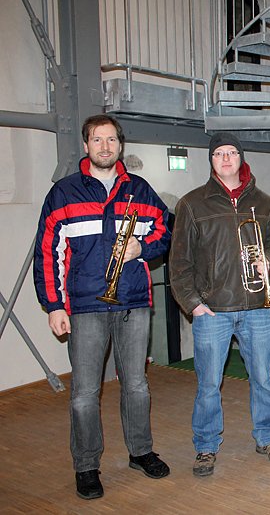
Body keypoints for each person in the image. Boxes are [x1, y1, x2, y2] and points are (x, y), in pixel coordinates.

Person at [33, 114, 171, 500]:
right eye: (97, 140)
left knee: (137, 385)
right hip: (85, 305)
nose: (105, 147)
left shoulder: (140, 190)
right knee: (84, 392)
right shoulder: (64, 193)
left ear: (120, 145)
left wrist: (142, 248)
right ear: (86, 145)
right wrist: (53, 305)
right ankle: (86, 465)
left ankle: (140, 451)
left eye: (111, 140)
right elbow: (48, 253)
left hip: (133, 302)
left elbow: (164, 231)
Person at [170, 132, 270, 476]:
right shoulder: (192, 204)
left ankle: (267, 437)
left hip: (256, 307)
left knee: (262, 379)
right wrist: (193, 304)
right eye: (219, 153)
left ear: (241, 158)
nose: (225, 158)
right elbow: (179, 262)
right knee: (209, 385)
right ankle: (206, 446)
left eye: (231, 152)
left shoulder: (264, 203)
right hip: (213, 310)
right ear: (211, 160)